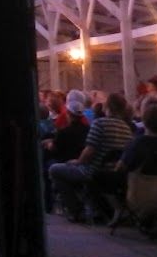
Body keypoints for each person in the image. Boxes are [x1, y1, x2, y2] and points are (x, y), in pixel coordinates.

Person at [48, 93, 135, 222]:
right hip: (115, 172)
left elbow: (90, 149)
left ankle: (75, 210)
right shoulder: (126, 128)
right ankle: (93, 208)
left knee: (55, 169)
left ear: (107, 107)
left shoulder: (100, 123)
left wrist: (78, 161)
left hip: (94, 170)